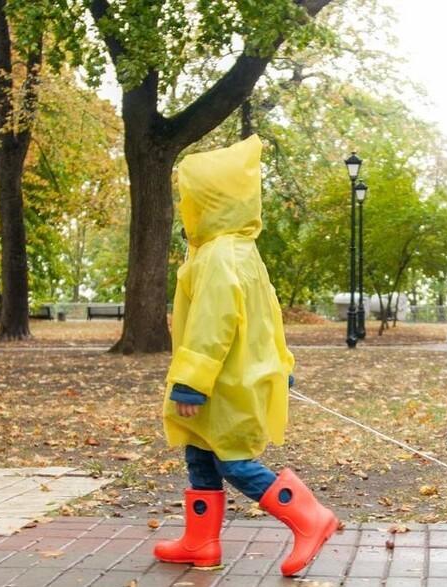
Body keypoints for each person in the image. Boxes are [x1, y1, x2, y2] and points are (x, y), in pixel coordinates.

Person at [153, 135, 338, 577]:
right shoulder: (241, 251)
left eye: (191, 199)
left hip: (224, 384)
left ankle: (310, 518)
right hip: (240, 375)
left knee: (231, 459)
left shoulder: (218, 255)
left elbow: (211, 325)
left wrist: (191, 382)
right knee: (200, 453)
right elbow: (267, 316)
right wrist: (282, 363)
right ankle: (202, 543)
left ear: (209, 202)